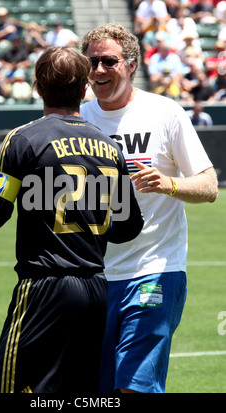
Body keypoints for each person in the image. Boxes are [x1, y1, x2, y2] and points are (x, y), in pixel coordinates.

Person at [0, 46, 144, 393]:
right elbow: (129, 227)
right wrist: (90, 220)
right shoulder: (110, 148)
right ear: (84, 89)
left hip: (43, 287)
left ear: (37, 86)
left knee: (14, 387)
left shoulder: (22, 139)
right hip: (96, 289)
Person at [80, 23, 218, 393]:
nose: (98, 70)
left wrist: (169, 184)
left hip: (156, 269)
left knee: (134, 388)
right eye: (91, 61)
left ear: (131, 65)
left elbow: (208, 186)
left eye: (109, 61)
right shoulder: (78, 120)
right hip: (93, 278)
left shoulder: (164, 112)